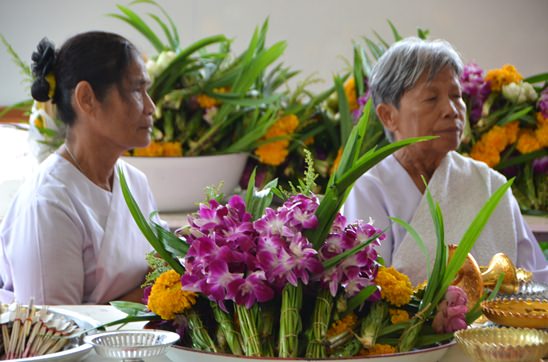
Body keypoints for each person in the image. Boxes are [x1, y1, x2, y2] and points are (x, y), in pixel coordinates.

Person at [342, 37, 547, 285]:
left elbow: (536, 283)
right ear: (388, 116)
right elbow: (365, 290)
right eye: (431, 98)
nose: (451, 109)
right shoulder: (371, 189)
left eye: (456, 95)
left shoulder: (490, 184)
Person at [0, 31, 160, 304]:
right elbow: (52, 332)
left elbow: (161, 266)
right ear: (87, 98)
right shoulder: (48, 203)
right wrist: (153, 296)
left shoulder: (135, 182)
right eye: (136, 90)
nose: (150, 107)